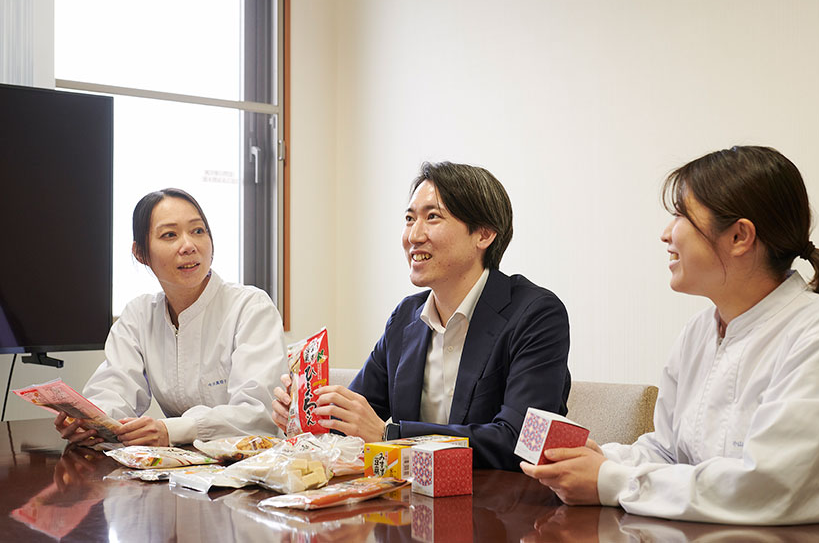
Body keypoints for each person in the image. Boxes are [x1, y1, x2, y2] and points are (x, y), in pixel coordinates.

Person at [521, 146, 819, 525]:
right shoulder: (699, 332)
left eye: (681, 215)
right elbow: (669, 453)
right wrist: (602, 459)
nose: (666, 234)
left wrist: (611, 480)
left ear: (739, 236)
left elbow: (774, 488)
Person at [272, 161, 571, 470]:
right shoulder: (405, 318)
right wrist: (307, 416)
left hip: (500, 497)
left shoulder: (536, 315)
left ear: (483, 234)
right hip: (411, 495)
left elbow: (519, 442)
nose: (414, 236)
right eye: (409, 219)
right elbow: (354, 421)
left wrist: (391, 436)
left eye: (432, 217)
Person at [54, 188, 285, 447]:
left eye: (198, 231)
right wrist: (92, 422)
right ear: (140, 253)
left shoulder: (250, 307)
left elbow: (258, 413)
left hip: (250, 462)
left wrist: (171, 430)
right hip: (182, 464)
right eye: (170, 235)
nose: (189, 246)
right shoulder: (139, 315)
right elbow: (114, 388)